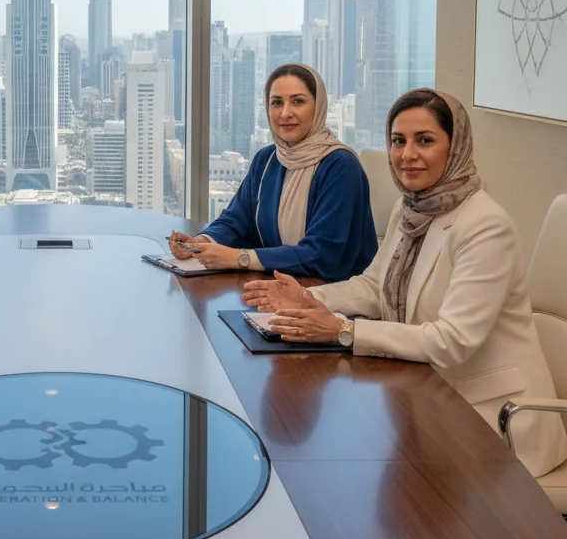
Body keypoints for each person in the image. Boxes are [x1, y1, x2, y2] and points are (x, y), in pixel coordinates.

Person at [243, 88, 567, 478]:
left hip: (494, 419)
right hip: (427, 396)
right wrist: (308, 297)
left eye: (425, 140)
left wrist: (344, 330)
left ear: (456, 146)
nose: (407, 154)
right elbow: (373, 287)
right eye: (398, 141)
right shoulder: (410, 207)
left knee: (358, 473)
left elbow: (452, 341)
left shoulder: (484, 225)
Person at [169, 63, 376, 283]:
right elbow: (236, 220)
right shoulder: (266, 159)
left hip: (332, 296)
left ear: (318, 107)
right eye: (277, 102)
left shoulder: (341, 165)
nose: (286, 113)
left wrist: (240, 258)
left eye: (298, 101)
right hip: (277, 286)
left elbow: (322, 253)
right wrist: (202, 243)